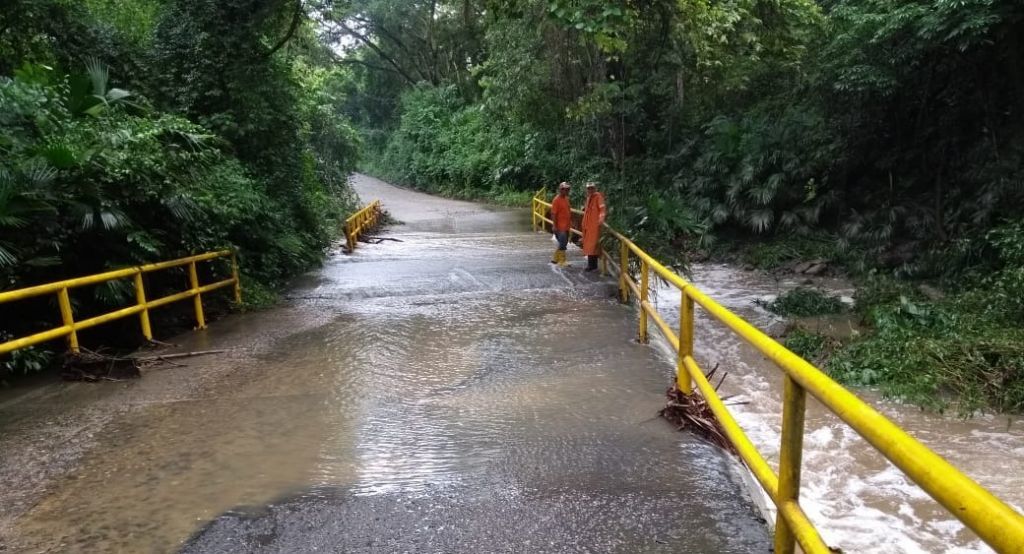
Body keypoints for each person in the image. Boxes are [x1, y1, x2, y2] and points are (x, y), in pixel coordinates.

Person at [581, 181, 606, 271]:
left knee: (592, 245)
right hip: (588, 225)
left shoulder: (598, 197)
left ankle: (592, 266)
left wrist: (600, 219)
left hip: (594, 226)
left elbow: (602, 209)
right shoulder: (589, 198)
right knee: (589, 245)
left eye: (592, 188)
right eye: (588, 188)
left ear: (595, 188)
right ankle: (592, 265)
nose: (590, 190)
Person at [549, 182, 572, 266]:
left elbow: (568, 211)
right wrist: (554, 225)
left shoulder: (566, 199)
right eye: (563, 189)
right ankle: (562, 261)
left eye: (567, 189)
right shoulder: (556, 200)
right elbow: (553, 214)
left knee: (564, 242)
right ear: (560, 190)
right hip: (559, 226)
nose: (565, 191)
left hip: (566, 225)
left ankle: (555, 258)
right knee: (562, 243)